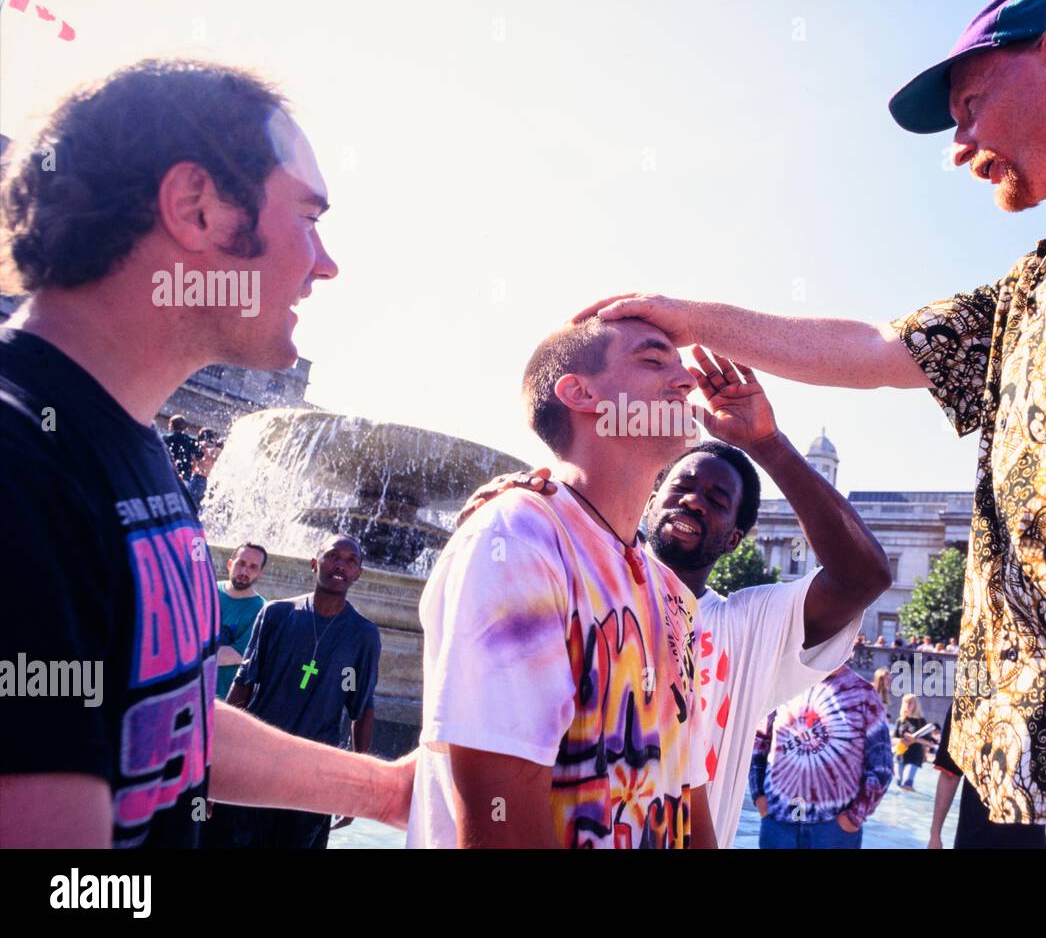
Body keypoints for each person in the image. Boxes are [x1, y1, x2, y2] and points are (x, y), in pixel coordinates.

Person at [582, 0, 1046, 848]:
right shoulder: (1039, 276)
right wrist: (689, 316)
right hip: (1016, 779)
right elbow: (876, 347)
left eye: (968, 109)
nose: (959, 147)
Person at [0, 60, 412, 848]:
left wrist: (391, 788)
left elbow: (166, 715)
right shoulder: (21, 471)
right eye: (309, 216)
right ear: (197, 208)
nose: (325, 263)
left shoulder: (124, 441)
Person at [452, 347, 891, 847]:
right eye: (681, 485)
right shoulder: (557, 562)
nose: (693, 500)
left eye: (717, 500)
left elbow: (864, 576)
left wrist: (768, 444)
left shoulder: (744, 625)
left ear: (735, 538)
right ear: (654, 495)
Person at [407, 317, 717, 849]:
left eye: (679, 363)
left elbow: (685, 794)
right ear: (580, 392)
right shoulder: (518, 539)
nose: (687, 378)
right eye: (653, 360)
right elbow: (500, 819)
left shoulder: (673, 595)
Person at [210, 535, 381, 849]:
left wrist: (360, 784)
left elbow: (362, 711)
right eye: (332, 556)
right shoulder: (276, 615)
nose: (341, 565)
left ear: (358, 574)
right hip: (256, 760)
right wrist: (217, 758)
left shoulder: (364, 636)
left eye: (351, 560)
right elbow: (243, 685)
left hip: (315, 774)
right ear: (314, 563)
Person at [749, 665, 893, 849]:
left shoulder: (864, 694)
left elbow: (882, 767)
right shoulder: (783, 684)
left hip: (833, 830)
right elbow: (759, 743)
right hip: (778, 824)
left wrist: (853, 818)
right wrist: (758, 796)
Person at [929, 703, 1046, 849]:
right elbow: (950, 773)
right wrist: (935, 834)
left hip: (978, 835)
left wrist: (935, 834)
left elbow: (950, 775)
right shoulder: (966, 702)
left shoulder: (967, 701)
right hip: (1025, 836)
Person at [215, 542, 269, 701]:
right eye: (241, 563)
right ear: (230, 564)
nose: (245, 571)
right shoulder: (207, 590)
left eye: (253, 567)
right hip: (185, 692)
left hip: (221, 700)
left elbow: (235, 655)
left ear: (260, 574)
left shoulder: (262, 610)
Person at [893, 693, 933, 791]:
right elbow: (894, 739)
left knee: (907, 784)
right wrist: (901, 740)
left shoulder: (921, 721)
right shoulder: (900, 721)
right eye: (906, 702)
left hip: (914, 756)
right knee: (898, 784)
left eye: (910, 703)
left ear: (916, 705)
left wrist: (914, 739)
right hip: (900, 756)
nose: (908, 705)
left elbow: (929, 743)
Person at [188, 427, 222, 507]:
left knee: (191, 506)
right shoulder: (217, 450)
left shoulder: (199, 446)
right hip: (210, 480)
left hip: (197, 478)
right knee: (205, 508)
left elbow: (193, 467)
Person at [163, 414, 200, 483]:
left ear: (171, 425)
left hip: (167, 473)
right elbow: (198, 457)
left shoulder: (166, 439)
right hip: (185, 476)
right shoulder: (191, 441)